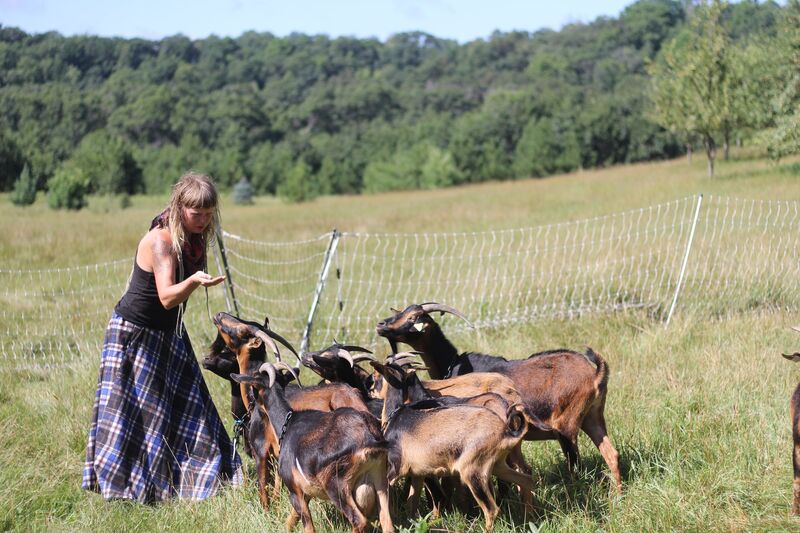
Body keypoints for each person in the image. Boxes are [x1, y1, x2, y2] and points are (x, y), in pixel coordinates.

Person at [82, 172, 241, 503]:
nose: (204, 220)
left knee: (193, 407)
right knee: (139, 414)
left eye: (209, 213)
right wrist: (196, 281)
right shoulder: (161, 240)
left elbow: (173, 303)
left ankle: (210, 478)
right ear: (179, 207)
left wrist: (196, 277)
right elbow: (168, 296)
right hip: (134, 334)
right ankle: (138, 487)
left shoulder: (195, 240)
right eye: (197, 214)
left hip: (169, 333)